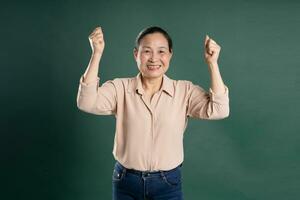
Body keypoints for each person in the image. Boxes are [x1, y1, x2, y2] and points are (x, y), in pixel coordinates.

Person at [76, 26, 229, 200]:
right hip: (126, 181)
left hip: (168, 183)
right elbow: (86, 102)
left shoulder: (184, 90)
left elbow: (219, 110)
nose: (154, 58)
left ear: (170, 54)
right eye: (147, 51)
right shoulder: (120, 88)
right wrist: (96, 54)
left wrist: (212, 64)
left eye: (161, 51)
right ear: (136, 54)